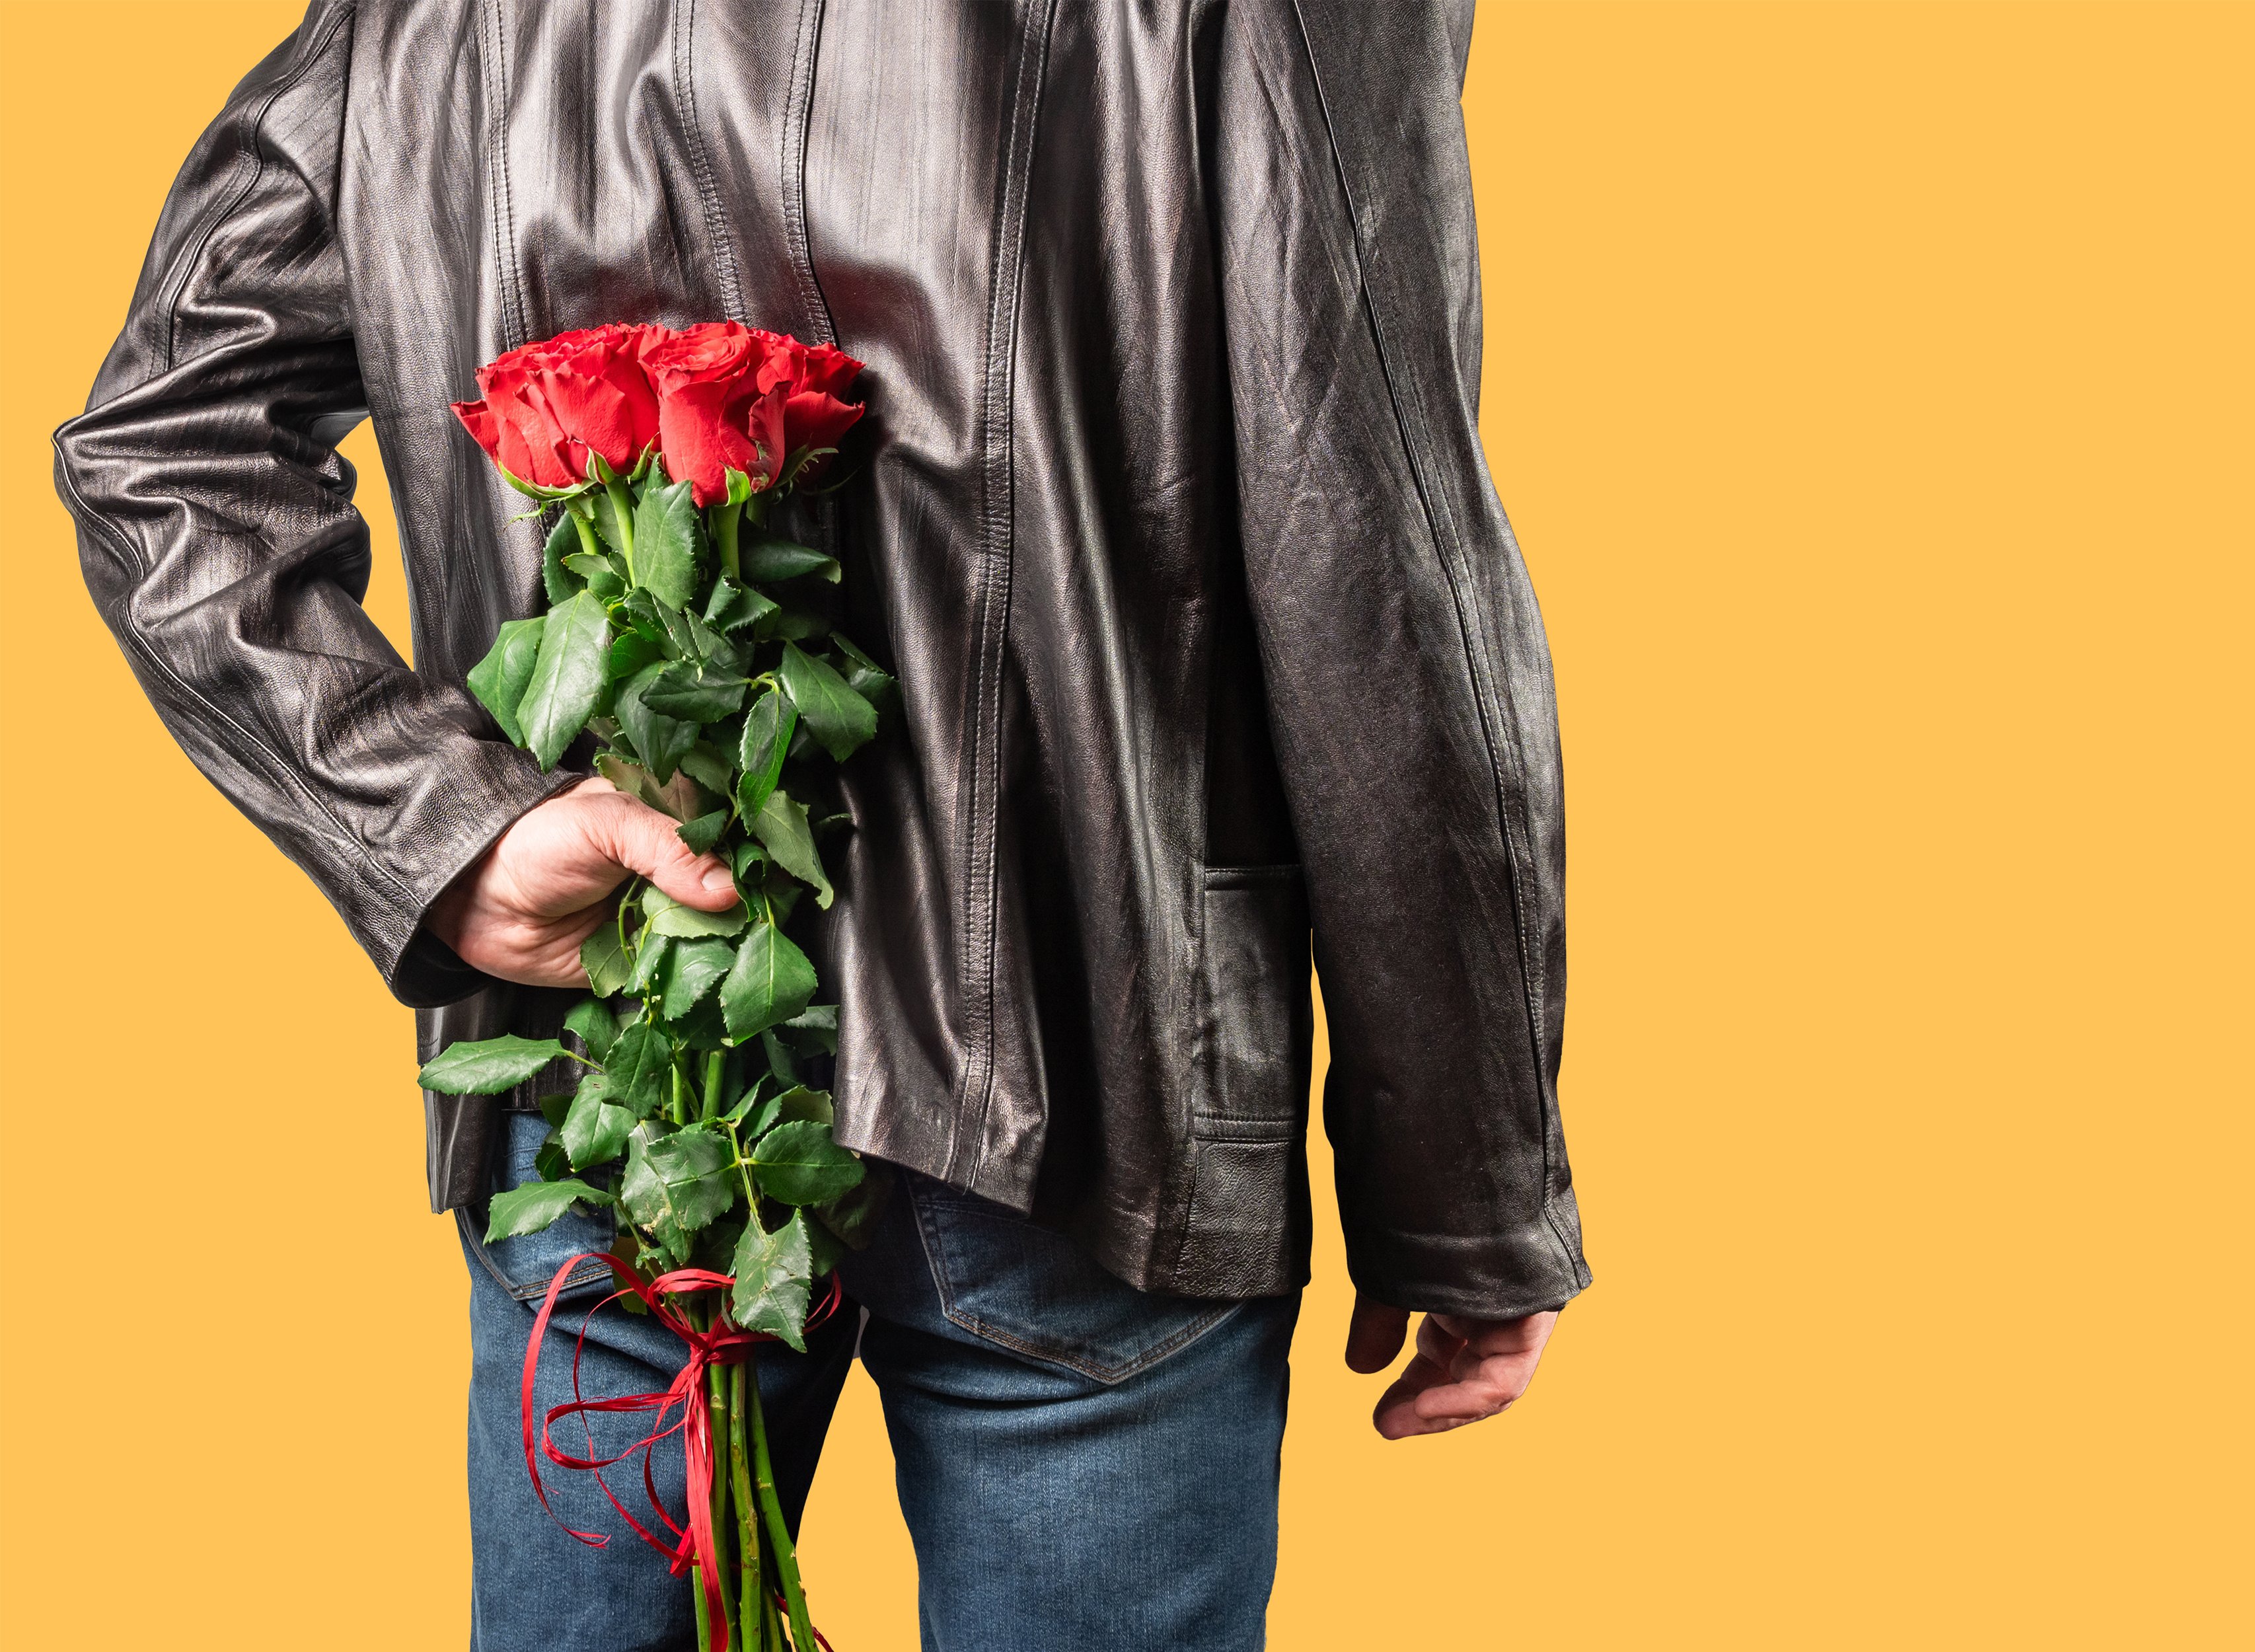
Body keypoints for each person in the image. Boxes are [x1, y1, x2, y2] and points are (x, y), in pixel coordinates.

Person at [54, 2, 1587, 1647]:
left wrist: (448, 830)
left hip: (613, 1061)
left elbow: (165, 441)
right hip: (1090, 1073)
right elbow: (1378, 556)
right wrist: (1465, 1188)